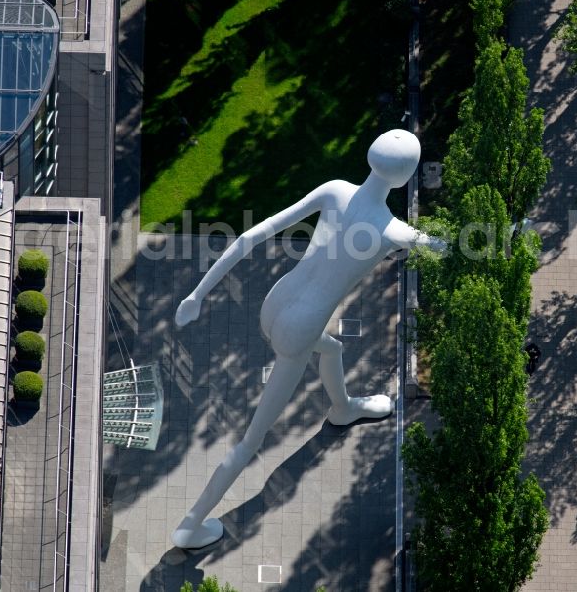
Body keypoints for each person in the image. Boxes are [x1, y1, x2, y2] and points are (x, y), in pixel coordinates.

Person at [171, 129, 444, 549]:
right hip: (299, 330)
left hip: (275, 302)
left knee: (332, 349)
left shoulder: (336, 189)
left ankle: (343, 408)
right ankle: (191, 526)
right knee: (251, 440)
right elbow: (445, 247)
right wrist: (512, 234)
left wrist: (197, 295)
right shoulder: (394, 232)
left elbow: (248, 237)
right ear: (407, 175)